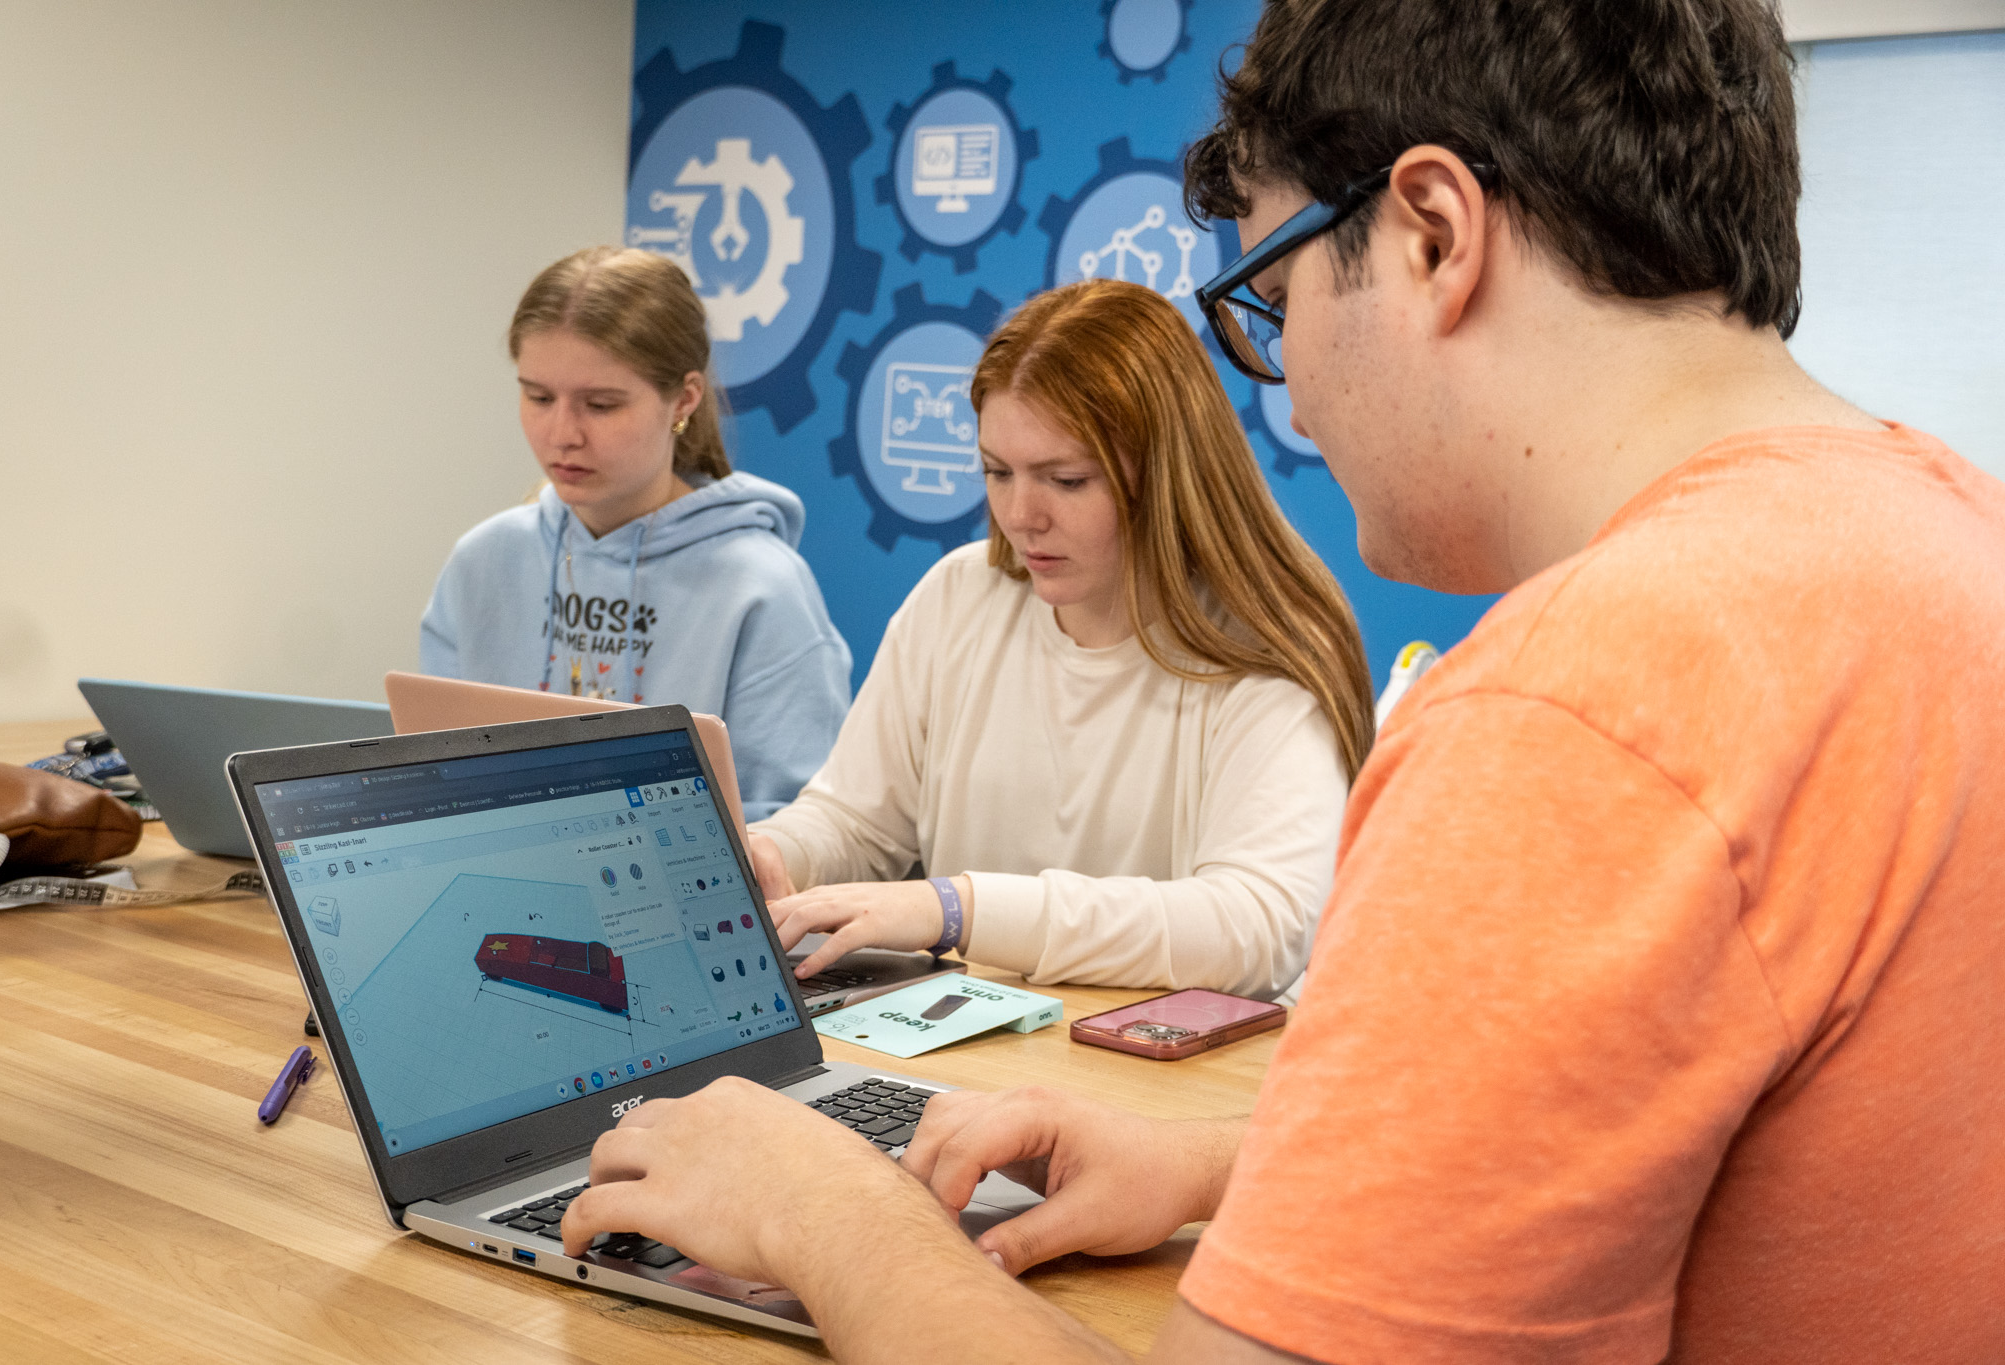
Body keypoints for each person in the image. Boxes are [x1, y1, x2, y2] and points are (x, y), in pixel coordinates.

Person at [561, 0, 2005, 1360]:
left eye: (1269, 294)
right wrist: (1227, 1163)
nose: (1291, 389)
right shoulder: (1945, 533)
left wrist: (828, 1213)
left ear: (1435, 233)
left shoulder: (1578, 709)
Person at [746, 276, 1373, 998]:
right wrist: (776, 851)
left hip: (1179, 1091)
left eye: (1066, 479)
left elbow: (1254, 927)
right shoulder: (958, 596)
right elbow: (858, 819)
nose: (1021, 514)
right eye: (996, 471)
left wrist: (960, 910)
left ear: (1169, 473)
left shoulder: (1267, 647)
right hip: (981, 1051)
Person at [418, 247, 851, 820]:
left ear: (685, 400)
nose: (561, 433)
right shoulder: (485, 560)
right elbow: (430, 779)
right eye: (538, 396)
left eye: (601, 404)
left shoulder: (762, 587)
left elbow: (791, 830)